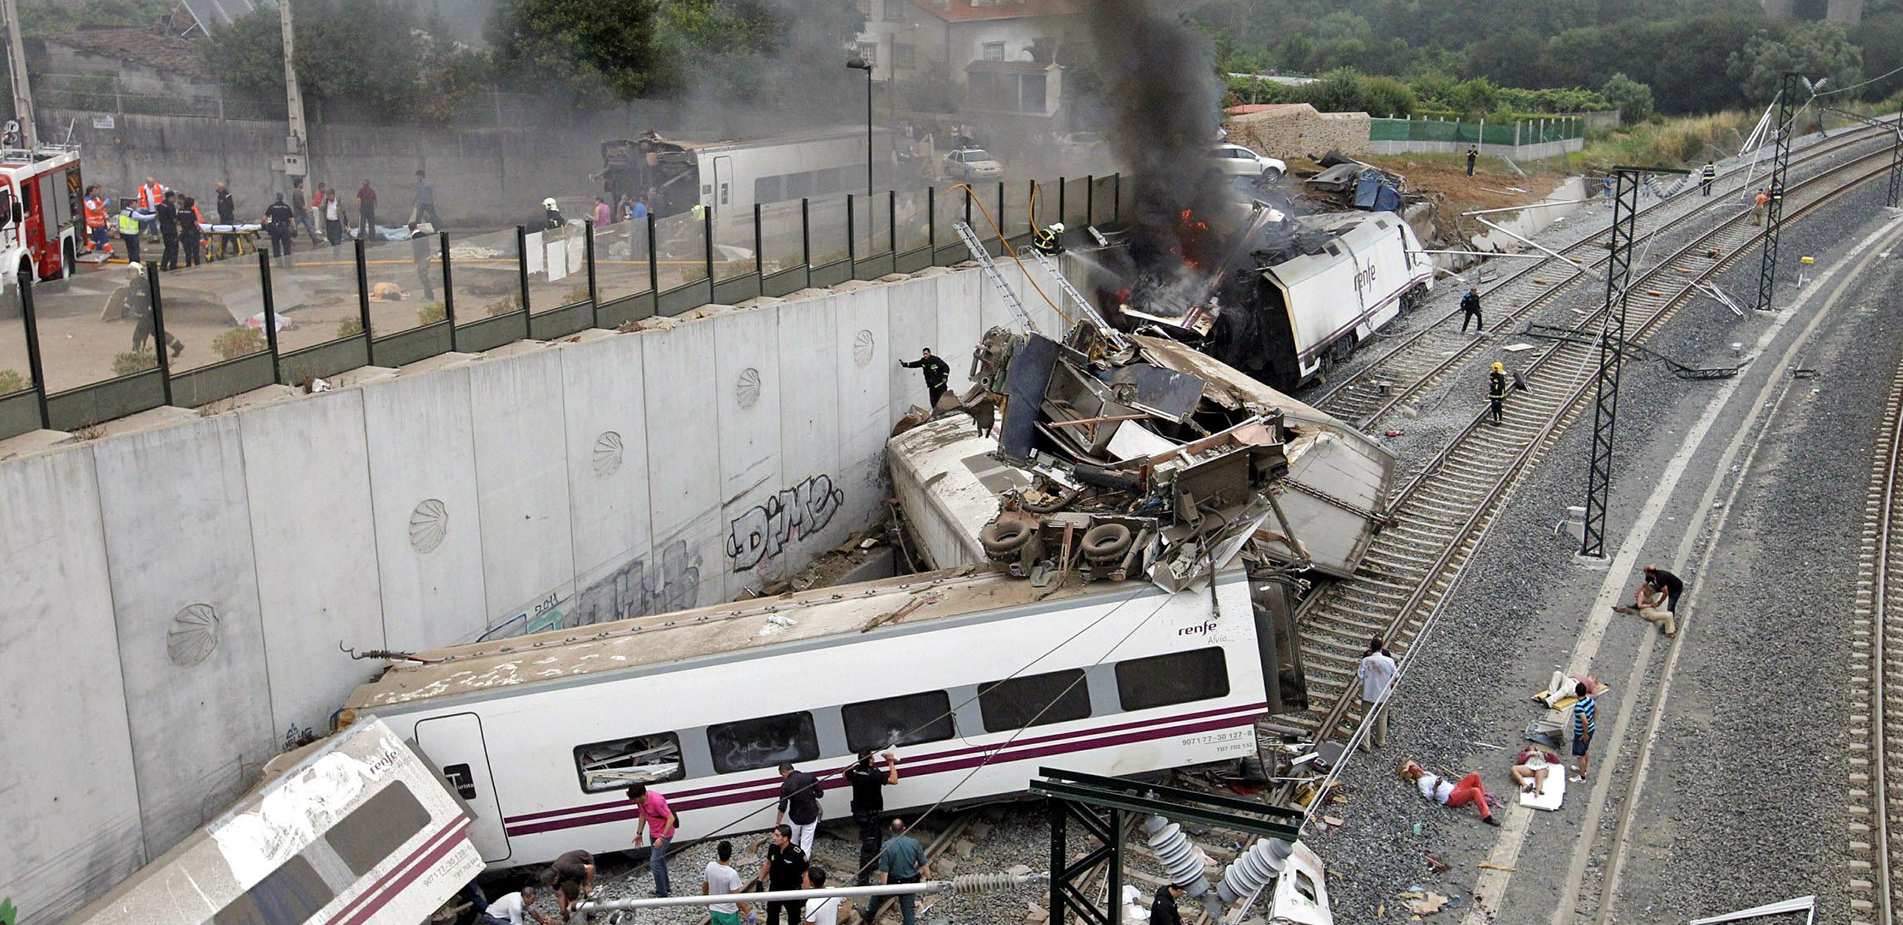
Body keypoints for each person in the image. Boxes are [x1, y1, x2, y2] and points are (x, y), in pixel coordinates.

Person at [845, 749, 899, 883]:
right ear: (869, 761)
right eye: (872, 758)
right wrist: (890, 762)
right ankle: (862, 879)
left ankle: (873, 864)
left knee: (877, 837)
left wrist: (857, 765)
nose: (874, 760)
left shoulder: (855, 771)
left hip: (859, 813)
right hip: (870, 814)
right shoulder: (874, 774)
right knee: (868, 846)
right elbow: (894, 780)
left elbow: (844, 775)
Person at [1399, 759, 1499, 826]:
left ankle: (1483, 799)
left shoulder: (1427, 774)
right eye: (1415, 770)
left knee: (1474, 775)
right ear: (1413, 774)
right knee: (1474, 791)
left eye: (1416, 766)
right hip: (1451, 797)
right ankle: (1486, 816)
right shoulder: (1421, 783)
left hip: (1455, 788)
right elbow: (1428, 797)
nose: (1418, 769)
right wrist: (1435, 786)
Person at [627, 782, 677, 896]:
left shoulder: (656, 801)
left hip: (664, 834)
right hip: (654, 832)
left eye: (634, 799)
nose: (632, 801)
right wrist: (639, 833)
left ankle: (661, 893)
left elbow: (671, 818)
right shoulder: (640, 802)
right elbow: (642, 815)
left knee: (654, 863)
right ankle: (666, 888)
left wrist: (662, 838)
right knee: (659, 860)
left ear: (641, 795)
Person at [125, 264, 184, 358]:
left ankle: (137, 355)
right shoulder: (133, 284)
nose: (131, 274)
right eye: (130, 271)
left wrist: (148, 313)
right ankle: (177, 345)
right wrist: (126, 308)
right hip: (143, 316)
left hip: (149, 316)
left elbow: (153, 300)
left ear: (140, 272)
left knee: (139, 334)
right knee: (158, 333)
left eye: (133, 271)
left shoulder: (146, 285)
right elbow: (131, 298)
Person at [878, 818, 928, 925]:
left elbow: (884, 870)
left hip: (893, 882)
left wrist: (883, 887)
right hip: (909, 883)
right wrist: (929, 877)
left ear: (891, 829)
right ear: (904, 829)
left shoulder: (887, 846)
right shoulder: (914, 843)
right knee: (909, 912)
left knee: (876, 897)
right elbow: (923, 863)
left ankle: (869, 915)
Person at [758, 824, 809, 925]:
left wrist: (805, 894)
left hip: (791, 891)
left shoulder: (798, 854)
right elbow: (768, 863)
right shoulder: (773, 848)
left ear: (785, 838)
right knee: (772, 917)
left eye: (777, 835)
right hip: (775, 889)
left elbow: (806, 873)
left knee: (794, 919)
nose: (774, 838)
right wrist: (760, 880)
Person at [1356, 635, 1398, 752]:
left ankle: (1365, 743)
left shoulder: (1366, 660)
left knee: (1365, 718)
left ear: (1371, 646)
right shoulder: (1389, 661)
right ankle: (1380, 741)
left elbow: (1360, 675)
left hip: (1369, 693)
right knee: (1382, 717)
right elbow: (1396, 675)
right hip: (1383, 694)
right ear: (1382, 646)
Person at [777, 762, 823, 856]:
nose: (783, 777)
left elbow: (782, 807)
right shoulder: (810, 777)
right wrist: (812, 795)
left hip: (795, 816)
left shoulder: (785, 785)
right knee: (806, 844)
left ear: (784, 772)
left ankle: (792, 861)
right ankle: (804, 865)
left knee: (793, 841)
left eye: (782, 775)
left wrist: (778, 823)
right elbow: (820, 794)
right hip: (811, 814)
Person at [703, 840, 753, 925]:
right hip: (728, 913)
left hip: (714, 910)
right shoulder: (731, 874)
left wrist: (706, 899)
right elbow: (736, 898)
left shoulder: (710, 866)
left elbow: (705, 886)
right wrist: (748, 912)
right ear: (730, 854)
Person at [478, 887, 552, 925]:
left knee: (521, 916)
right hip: (491, 917)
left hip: (500, 914)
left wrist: (542, 922)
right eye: (532, 899)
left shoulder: (519, 896)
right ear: (526, 897)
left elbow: (532, 911)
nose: (533, 901)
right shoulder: (515, 906)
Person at [1571, 684, 1596, 781]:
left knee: (1580, 755)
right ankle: (1583, 769)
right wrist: (1593, 721)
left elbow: (1584, 721)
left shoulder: (1579, 706)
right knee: (1585, 750)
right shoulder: (1589, 700)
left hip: (1581, 733)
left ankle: (1582, 777)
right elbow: (1597, 709)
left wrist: (1584, 734)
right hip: (1591, 729)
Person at [264, 194, 297, 268]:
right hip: (285, 228)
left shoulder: (271, 207)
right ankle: (288, 264)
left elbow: (264, 218)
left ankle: (279, 264)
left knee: (276, 246)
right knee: (287, 246)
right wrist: (294, 228)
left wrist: (267, 225)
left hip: (275, 228)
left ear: (276, 198)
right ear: (282, 199)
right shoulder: (287, 207)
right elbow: (291, 219)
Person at [411, 223, 438, 302]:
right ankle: (429, 295)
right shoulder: (424, 234)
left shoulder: (415, 237)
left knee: (424, 278)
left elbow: (417, 251)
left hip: (422, 260)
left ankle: (429, 296)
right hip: (427, 258)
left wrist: (416, 262)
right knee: (425, 278)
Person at [155, 191, 181, 271]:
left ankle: (164, 265)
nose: (175, 199)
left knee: (168, 247)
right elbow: (174, 219)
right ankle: (173, 266)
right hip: (171, 229)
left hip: (164, 228)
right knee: (174, 248)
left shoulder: (161, 205)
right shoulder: (170, 206)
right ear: (170, 197)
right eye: (174, 197)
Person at [83, 184, 110, 255]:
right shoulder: (89, 202)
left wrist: (105, 215)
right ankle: (110, 252)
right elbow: (94, 211)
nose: (98, 192)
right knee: (104, 240)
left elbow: (101, 208)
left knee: (94, 238)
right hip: (96, 223)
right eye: (96, 190)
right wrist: (104, 205)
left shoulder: (96, 199)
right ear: (91, 192)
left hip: (99, 222)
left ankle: (88, 250)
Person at [292, 179, 320, 246]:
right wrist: (308, 209)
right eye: (301, 183)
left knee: (309, 226)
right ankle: (287, 238)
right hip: (298, 213)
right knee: (293, 227)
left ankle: (315, 239)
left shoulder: (299, 192)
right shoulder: (296, 192)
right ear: (299, 184)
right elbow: (299, 204)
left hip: (302, 213)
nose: (303, 184)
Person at [215, 183, 237, 258]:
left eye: (217, 187)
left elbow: (228, 207)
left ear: (221, 188)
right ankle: (223, 249)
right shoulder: (221, 196)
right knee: (225, 234)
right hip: (224, 217)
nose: (216, 189)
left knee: (229, 234)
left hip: (227, 218)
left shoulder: (225, 196)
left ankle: (235, 249)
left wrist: (226, 216)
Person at [180, 196, 203, 267]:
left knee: (188, 251)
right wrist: (200, 229)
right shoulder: (191, 211)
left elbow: (178, 221)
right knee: (195, 250)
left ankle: (188, 264)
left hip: (184, 232)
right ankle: (197, 264)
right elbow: (195, 222)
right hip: (192, 232)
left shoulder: (180, 211)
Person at [1487, 361, 1507, 426]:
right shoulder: (1496, 376)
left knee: (1496, 409)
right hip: (1495, 396)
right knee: (1495, 409)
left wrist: (1493, 385)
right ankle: (1497, 420)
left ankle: (1497, 422)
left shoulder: (1499, 378)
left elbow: (1499, 388)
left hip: (1497, 397)